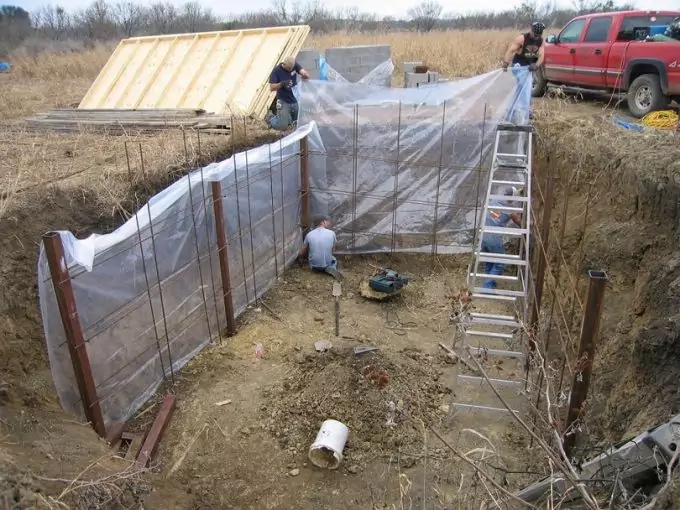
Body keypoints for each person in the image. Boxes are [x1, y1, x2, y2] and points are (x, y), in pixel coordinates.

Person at [480, 187, 523, 290]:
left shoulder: (494, 200)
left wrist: (519, 191)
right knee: (500, 262)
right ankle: (487, 286)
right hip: (494, 237)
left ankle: (489, 283)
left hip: (484, 234)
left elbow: (497, 212)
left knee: (488, 260)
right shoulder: (510, 209)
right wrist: (532, 225)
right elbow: (519, 222)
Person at [502, 22, 546, 121]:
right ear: (531, 30)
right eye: (535, 34)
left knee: (522, 88)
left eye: (538, 35)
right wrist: (506, 62)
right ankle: (525, 109)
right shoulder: (522, 39)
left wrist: (536, 65)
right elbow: (511, 51)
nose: (536, 37)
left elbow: (542, 56)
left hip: (529, 68)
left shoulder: (541, 41)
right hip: (519, 66)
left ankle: (513, 109)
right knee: (525, 85)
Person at [266, 56, 310, 131]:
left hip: (295, 98)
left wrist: (305, 75)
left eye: (292, 69)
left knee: (298, 123)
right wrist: (282, 84)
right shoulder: (276, 71)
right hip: (283, 100)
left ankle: (288, 120)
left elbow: (304, 72)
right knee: (282, 126)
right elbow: (271, 88)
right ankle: (270, 118)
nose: (290, 70)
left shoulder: (294, 65)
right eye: (289, 68)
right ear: (284, 64)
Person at [298, 215, 343, 280]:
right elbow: (333, 250)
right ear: (322, 222)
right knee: (334, 259)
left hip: (314, 265)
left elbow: (303, 250)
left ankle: (316, 268)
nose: (328, 223)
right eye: (327, 221)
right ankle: (331, 268)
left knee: (312, 258)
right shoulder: (332, 233)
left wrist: (300, 258)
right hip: (327, 263)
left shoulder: (309, 234)